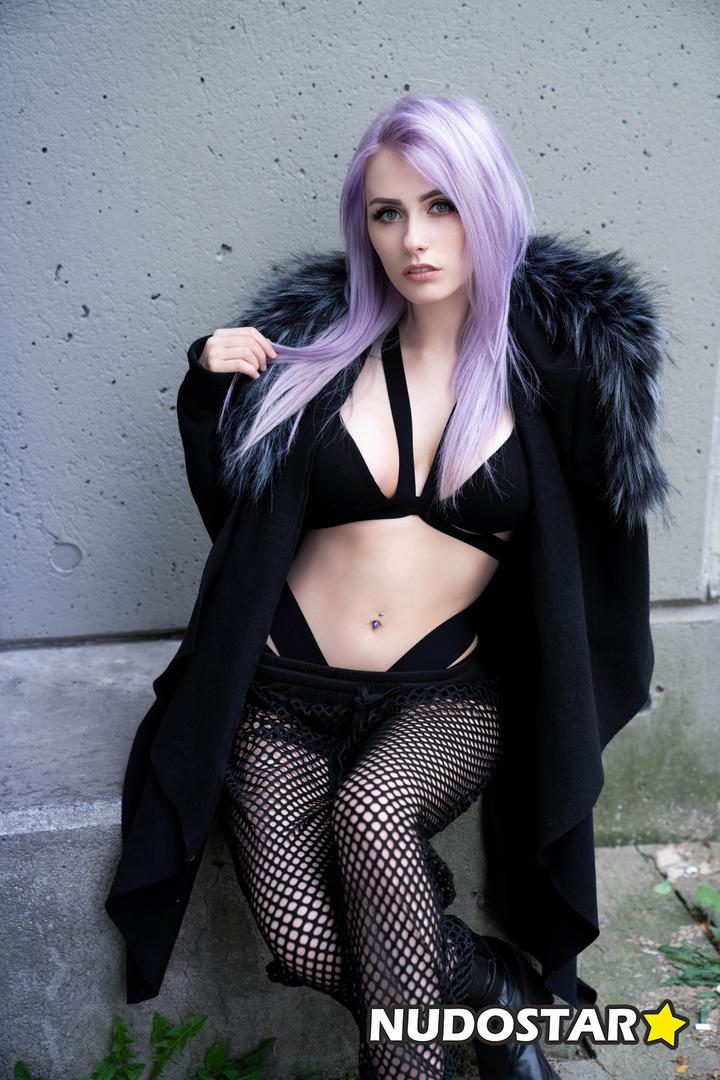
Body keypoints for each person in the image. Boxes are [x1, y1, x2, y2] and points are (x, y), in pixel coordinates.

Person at [105, 95, 673, 1080]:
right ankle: (484, 983)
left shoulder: (564, 370)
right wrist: (208, 386)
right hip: (282, 691)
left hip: (444, 694)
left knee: (374, 812)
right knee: (304, 941)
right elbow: (238, 525)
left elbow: (601, 552)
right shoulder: (318, 352)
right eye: (388, 213)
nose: (414, 238)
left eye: (442, 205)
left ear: (489, 204)